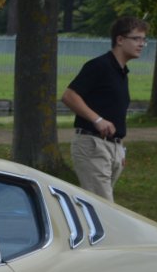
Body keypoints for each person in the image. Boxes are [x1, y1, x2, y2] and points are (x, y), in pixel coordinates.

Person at [62, 17, 149, 200]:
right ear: (120, 40)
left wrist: (118, 149)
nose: (141, 44)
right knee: (103, 208)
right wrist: (97, 120)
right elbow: (69, 96)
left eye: (143, 40)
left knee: (99, 207)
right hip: (92, 145)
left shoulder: (121, 72)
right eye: (136, 39)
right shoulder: (99, 66)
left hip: (112, 149)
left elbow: (113, 111)